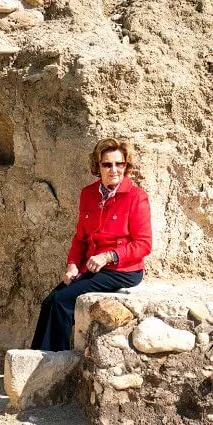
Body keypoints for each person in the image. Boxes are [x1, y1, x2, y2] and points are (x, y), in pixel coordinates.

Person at [30, 138, 152, 351]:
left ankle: (53, 362)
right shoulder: (88, 193)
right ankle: (38, 359)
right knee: (50, 300)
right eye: (107, 164)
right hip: (92, 268)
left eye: (119, 164)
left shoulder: (137, 197)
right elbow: (81, 238)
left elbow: (144, 244)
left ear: (126, 165)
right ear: (98, 167)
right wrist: (73, 264)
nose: (114, 169)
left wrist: (109, 256)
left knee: (62, 301)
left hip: (121, 270)